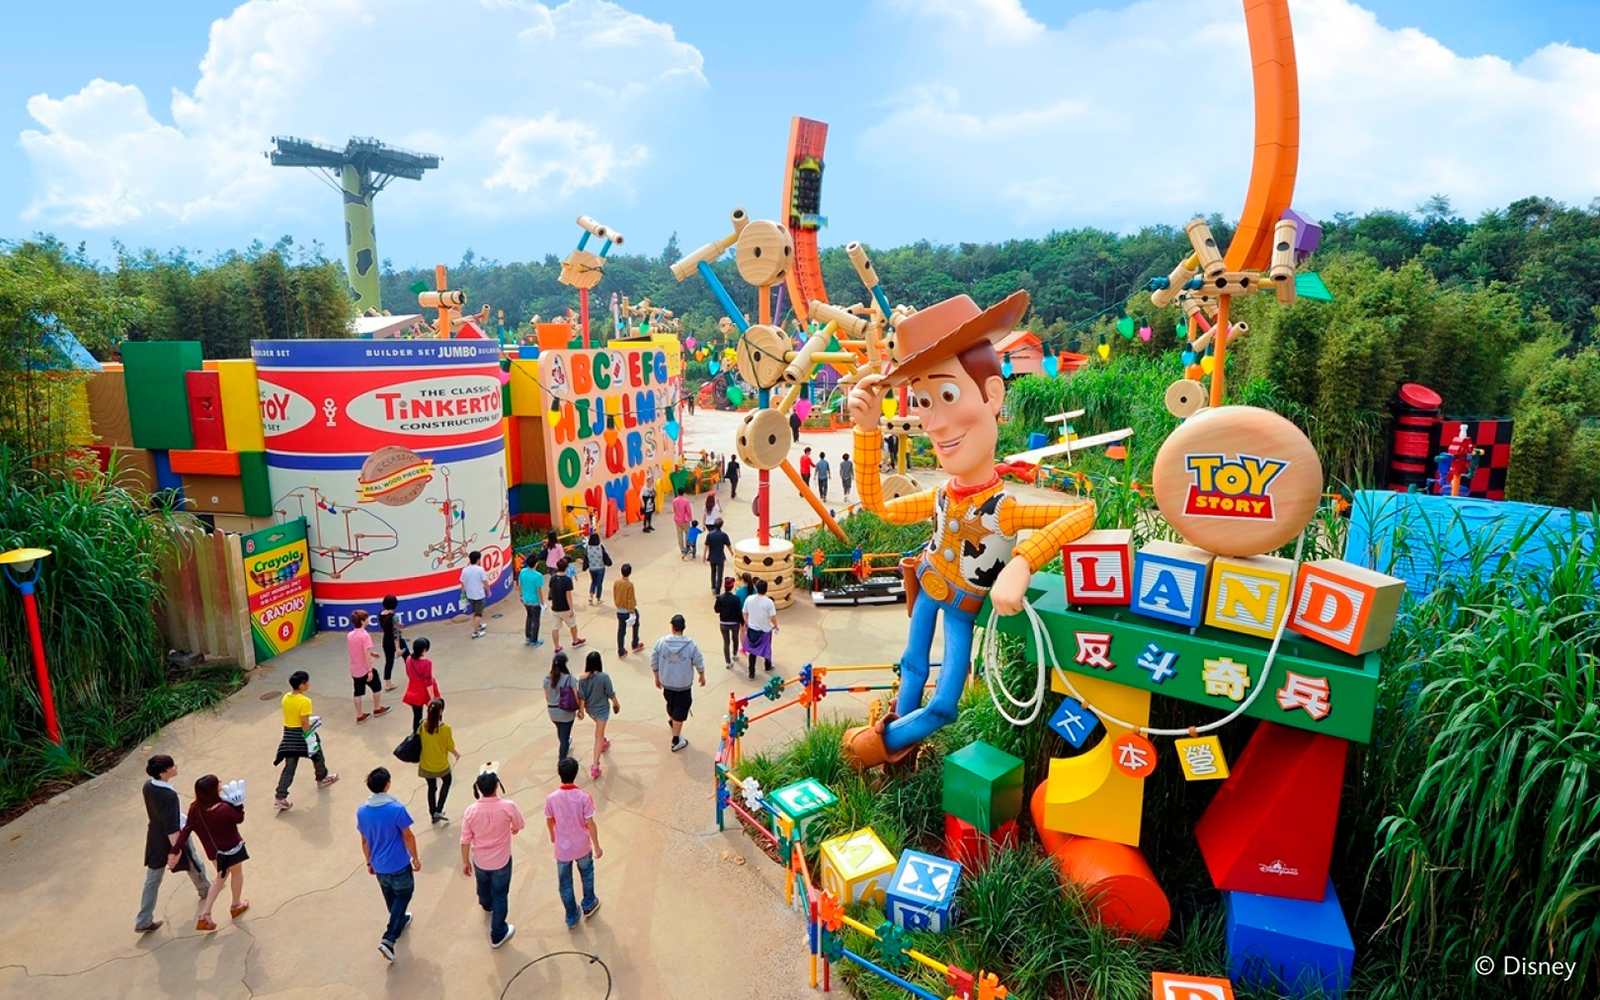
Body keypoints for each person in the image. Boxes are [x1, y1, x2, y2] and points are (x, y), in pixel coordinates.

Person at [841, 292, 1097, 769]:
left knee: (942, 704)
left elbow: (1084, 511)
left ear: (993, 396)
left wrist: (1021, 563)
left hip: (962, 607)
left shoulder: (1006, 508)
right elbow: (879, 504)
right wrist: (868, 431)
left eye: (948, 395)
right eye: (922, 401)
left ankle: (884, 742)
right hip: (931, 587)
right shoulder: (942, 494)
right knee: (913, 665)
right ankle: (902, 749)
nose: (933, 421)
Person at [135, 754, 211, 933]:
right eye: (172, 766)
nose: (176, 767)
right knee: (193, 862)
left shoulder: (148, 786)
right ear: (163, 773)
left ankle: (143, 919)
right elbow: (171, 827)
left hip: (155, 836)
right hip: (172, 837)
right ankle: (205, 889)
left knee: (153, 878)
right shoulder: (169, 795)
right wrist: (176, 850)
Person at [356, 767, 420, 963]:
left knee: (390, 896)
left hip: (379, 865)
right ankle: (389, 938)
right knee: (405, 893)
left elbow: (365, 840)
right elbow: (408, 836)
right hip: (399, 863)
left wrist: (369, 862)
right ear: (388, 784)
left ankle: (399, 920)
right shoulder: (396, 809)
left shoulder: (362, 811)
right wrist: (415, 858)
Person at [460, 767, 524, 949]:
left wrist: (465, 861)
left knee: (483, 886)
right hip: (501, 861)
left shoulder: (471, 811)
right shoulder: (508, 806)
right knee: (501, 894)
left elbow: (465, 839)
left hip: (480, 860)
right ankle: (498, 933)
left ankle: (486, 905)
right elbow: (519, 824)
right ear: (497, 786)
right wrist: (514, 828)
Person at [544, 757, 603, 928]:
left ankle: (571, 916)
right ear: (576, 774)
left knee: (565, 884)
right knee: (587, 874)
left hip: (562, 849)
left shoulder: (552, 798)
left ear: (559, 774)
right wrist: (597, 846)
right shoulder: (584, 797)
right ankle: (589, 903)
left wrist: (552, 835)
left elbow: (549, 820)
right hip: (582, 846)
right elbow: (590, 823)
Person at [186, 774, 248, 932]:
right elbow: (238, 818)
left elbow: (187, 828)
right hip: (232, 849)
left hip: (214, 853)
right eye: (218, 782)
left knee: (220, 877)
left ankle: (205, 914)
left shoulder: (194, 808)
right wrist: (239, 805)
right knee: (237, 873)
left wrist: (174, 850)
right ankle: (236, 904)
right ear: (213, 789)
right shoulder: (223, 807)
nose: (221, 782)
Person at [274, 671, 338, 811]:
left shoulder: (286, 698)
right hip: (300, 734)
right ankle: (322, 778)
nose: (309, 683)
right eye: (307, 682)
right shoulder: (305, 701)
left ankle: (280, 796)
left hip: (288, 735)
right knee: (317, 753)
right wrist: (310, 737)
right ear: (302, 685)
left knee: (289, 766)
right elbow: (304, 722)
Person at [651, 614, 705, 752]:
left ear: (672, 627)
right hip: (683, 685)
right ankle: (676, 739)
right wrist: (701, 674)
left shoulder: (661, 642)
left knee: (670, 703)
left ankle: (672, 721)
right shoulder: (691, 644)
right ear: (683, 627)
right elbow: (698, 660)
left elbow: (654, 659)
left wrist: (657, 676)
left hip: (667, 682)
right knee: (680, 711)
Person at [577, 652, 620, 779]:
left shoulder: (582, 678)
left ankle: (604, 740)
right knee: (598, 737)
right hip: (602, 709)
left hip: (590, 709)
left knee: (599, 729)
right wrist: (616, 704)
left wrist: (581, 711)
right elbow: (610, 693)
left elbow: (582, 696)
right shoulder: (604, 677)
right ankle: (595, 765)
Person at [418, 698, 461, 824]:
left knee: (431, 787)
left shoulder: (422, 725)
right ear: (441, 711)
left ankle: (433, 813)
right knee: (447, 781)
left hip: (426, 764)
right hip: (441, 764)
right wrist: (456, 754)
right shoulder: (445, 728)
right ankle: (439, 808)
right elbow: (449, 746)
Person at [347, 609, 389, 724]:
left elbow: (356, 650)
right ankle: (377, 708)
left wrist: (372, 653)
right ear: (362, 621)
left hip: (355, 669)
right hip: (365, 669)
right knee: (377, 687)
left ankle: (359, 715)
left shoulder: (350, 635)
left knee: (357, 692)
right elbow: (365, 652)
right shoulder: (365, 636)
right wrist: (370, 670)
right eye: (366, 618)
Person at [544, 653, 580, 761]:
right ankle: (562, 761)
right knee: (564, 738)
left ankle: (565, 745)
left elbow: (546, 697)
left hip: (552, 712)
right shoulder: (570, 679)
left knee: (561, 732)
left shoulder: (546, 679)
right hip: (566, 712)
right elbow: (576, 695)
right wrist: (580, 709)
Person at [402, 637, 441, 732]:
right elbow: (428, 682)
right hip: (424, 689)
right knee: (435, 712)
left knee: (417, 716)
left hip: (413, 687)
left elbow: (408, 673)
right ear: (424, 649)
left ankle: (416, 734)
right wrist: (432, 698)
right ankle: (435, 730)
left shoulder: (409, 659)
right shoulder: (427, 663)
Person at [742, 579, 778, 679]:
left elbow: (744, 612)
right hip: (765, 630)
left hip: (752, 629)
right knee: (767, 649)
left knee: (752, 652)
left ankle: (751, 672)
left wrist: (747, 623)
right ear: (766, 589)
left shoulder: (749, 599)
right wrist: (776, 625)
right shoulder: (769, 602)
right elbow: (773, 617)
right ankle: (767, 666)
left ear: (756, 588)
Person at [548, 558, 585, 651]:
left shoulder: (552, 578)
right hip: (565, 608)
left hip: (555, 607)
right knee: (572, 625)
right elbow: (568, 595)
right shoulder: (567, 580)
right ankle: (575, 640)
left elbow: (550, 590)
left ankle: (556, 647)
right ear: (566, 568)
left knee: (555, 628)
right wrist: (571, 608)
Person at [613, 563, 643, 656]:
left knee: (621, 631)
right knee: (636, 624)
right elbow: (630, 599)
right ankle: (635, 644)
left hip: (619, 610)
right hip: (627, 610)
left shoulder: (616, 582)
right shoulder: (629, 585)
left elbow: (614, 594)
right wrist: (632, 611)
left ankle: (620, 650)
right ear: (630, 573)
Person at [714, 577, 743, 670]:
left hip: (723, 623)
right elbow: (739, 612)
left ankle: (728, 661)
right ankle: (735, 654)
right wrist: (742, 621)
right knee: (735, 638)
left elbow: (716, 610)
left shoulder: (720, 598)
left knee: (726, 642)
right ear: (732, 586)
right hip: (734, 623)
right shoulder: (736, 599)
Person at [378, 595, 405, 691]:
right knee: (408, 657)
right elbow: (396, 633)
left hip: (386, 640)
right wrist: (397, 648)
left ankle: (388, 683)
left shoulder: (381, 614)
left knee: (389, 661)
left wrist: (397, 625)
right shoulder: (394, 617)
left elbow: (387, 626)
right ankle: (414, 676)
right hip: (396, 640)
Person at [460, 550, 490, 639]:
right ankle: (475, 632)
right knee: (479, 614)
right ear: (478, 560)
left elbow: (462, 584)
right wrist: (488, 590)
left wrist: (463, 594)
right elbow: (485, 581)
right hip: (479, 594)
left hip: (470, 595)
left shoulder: (465, 570)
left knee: (474, 611)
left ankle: (478, 625)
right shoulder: (480, 569)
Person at [519, 556, 545, 647]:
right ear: (536, 563)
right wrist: (542, 602)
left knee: (529, 617)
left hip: (526, 599)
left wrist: (521, 595)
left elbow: (520, 584)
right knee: (536, 620)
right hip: (535, 600)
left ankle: (528, 637)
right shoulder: (538, 576)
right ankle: (534, 641)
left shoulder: (522, 572)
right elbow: (539, 590)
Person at [703, 519, 732, 595]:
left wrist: (704, 556)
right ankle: (717, 590)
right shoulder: (724, 535)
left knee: (713, 572)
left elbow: (706, 545)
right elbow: (728, 545)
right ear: (721, 525)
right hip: (720, 556)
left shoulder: (710, 535)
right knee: (720, 574)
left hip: (712, 556)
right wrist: (732, 553)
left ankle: (713, 587)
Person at [583, 532, 609, 606]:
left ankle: (591, 597)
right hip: (600, 567)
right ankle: (598, 598)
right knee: (599, 583)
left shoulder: (588, 548)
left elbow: (586, 558)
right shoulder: (600, 546)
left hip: (592, 568)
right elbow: (605, 555)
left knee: (593, 582)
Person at [672, 488, 694, 558]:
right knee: (687, 533)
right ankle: (687, 546)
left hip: (677, 519)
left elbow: (674, 510)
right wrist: (690, 518)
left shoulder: (674, 500)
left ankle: (681, 548)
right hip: (684, 520)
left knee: (679, 534)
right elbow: (688, 511)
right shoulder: (686, 501)